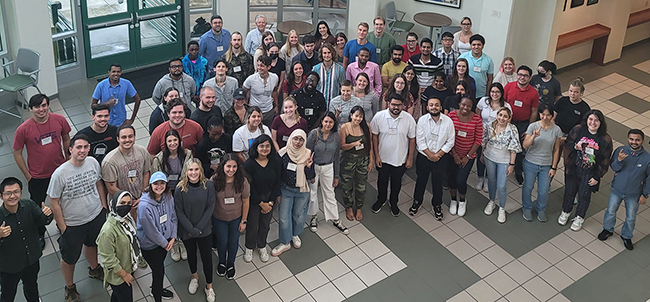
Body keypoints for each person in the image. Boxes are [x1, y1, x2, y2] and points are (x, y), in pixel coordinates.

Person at [47, 133, 107, 302]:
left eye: (86, 147)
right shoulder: (60, 174)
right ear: (70, 149)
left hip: (95, 216)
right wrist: (63, 227)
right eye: (78, 147)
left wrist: (103, 207)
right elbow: (54, 202)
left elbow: (98, 183)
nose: (82, 150)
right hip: (72, 224)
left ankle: (94, 269)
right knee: (69, 258)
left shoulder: (93, 162)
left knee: (92, 244)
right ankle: (70, 287)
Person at [13, 94, 70, 249]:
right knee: (38, 206)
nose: (41, 109)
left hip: (59, 171)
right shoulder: (23, 129)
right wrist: (27, 174)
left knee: (62, 201)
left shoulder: (59, 119)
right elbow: (17, 152)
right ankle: (39, 232)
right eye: (37, 106)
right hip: (37, 177)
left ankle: (62, 225)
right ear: (31, 109)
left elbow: (66, 138)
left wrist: (67, 159)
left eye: (44, 105)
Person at [0, 177, 53, 302]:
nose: (13, 196)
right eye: (8, 193)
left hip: (31, 260)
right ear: (1, 196)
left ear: (21, 192)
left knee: (32, 287)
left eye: (16, 192)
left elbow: (42, 221)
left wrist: (48, 215)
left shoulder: (28, 205)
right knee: (8, 294)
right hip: (9, 266)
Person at [559, 110, 613, 231]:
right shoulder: (578, 130)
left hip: (589, 172)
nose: (593, 123)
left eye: (596, 120)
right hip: (574, 168)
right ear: (586, 119)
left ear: (601, 122)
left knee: (584, 195)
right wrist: (575, 147)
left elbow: (605, 160)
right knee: (569, 191)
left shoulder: (605, 139)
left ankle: (579, 217)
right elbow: (567, 145)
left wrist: (597, 176)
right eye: (590, 119)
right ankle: (566, 211)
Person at [599, 129, 650, 250]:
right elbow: (614, 168)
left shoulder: (647, 158)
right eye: (631, 139)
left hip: (634, 194)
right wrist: (620, 161)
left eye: (637, 140)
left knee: (631, 217)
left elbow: (649, 178)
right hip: (617, 189)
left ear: (642, 141)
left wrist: (645, 194)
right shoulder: (620, 151)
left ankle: (626, 236)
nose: (634, 142)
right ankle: (608, 229)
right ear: (628, 139)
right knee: (611, 211)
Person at [174, 159, 216, 300]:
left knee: (207, 259)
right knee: (191, 255)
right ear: (186, 171)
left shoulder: (208, 185)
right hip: (187, 231)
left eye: (196, 169)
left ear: (201, 170)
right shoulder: (180, 189)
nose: (193, 173)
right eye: (190, 170)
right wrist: (191, 229)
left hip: (204, 230)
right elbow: (179, 212)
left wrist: (198, 228)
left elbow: (210, 208)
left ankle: (209, 286)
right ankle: (194, 277)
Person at [370, 93, 416, 216]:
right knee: (382, 181)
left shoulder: (408, 119)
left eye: (399, 105)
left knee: (396, 183)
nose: (396, 107)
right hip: (383, 158)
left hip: (400, 159)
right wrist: (376, 156)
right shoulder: (379, 116)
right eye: (394, 104)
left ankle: (394, 202)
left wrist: (410, 158)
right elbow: (374, 136)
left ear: (403, 106)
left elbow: (412, 139)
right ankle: (381, 199)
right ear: (388, 104)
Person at [271, 130, 315, 256]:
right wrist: (278, 194)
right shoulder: (282, 154)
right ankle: (285, 242)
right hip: (286, 190)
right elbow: (277, 176)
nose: (298, 142)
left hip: (302, 190)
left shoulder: (308, 154)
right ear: (290, 139)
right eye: (295, 139)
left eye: (301, 139)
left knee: (299, 216)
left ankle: (295, 234)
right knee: (284, 218)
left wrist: (308, 167)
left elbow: (311, 177)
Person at [410, 97, 455, 220]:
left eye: (436, 105)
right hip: (424, 157)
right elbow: (420, 140)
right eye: (431, 105)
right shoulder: (422, 120)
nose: (434, 107)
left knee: (438, 182)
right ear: (428, 107)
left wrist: (438, 154)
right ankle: (417, 202)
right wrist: (430, 155)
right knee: (421, 181)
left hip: (441, 158)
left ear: (440, 107)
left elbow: (450, 141)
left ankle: (437, 205)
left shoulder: (448, 121)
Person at [136, 172, 177, 301]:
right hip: (151, 246)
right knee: (159, 271)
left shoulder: (169, 197)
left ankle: (155, 289)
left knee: (158, 269)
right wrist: (165, 243)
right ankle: (157, 296)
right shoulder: (144, 206)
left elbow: (173, 217)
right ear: (150, 185)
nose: (159, 186)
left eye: (162, 183)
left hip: (166, 241)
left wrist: (173, 236)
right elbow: (151, 231)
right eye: (156, 184)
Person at [306, 112, 348, 233]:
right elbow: (307, 154)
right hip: (314, 167)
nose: (328, 124)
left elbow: (336, 157)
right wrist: (309, 173)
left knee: (329, 193)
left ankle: (335, 219)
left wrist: (336, 175)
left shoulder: (335, 136)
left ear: (334, 123)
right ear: (322, 122)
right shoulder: (314, 134)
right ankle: (313, 217)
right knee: (313, 193)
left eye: (331, 122)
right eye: (326, 121)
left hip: (328, 167)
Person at [521, 104, 563, 222]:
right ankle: (527, 208)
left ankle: (541, 209)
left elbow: (556, 150)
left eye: (548, 114)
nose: (545, 117)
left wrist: (554, 167)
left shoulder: (556, 130)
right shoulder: (533, 126)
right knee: (528, 186)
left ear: (552, 115)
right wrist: (534, 136)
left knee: (543, 190)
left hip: (546, 165)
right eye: (542, 114)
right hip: (531, 162)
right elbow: (525, 145)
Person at [96, 190, 140, 302]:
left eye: (128, 203)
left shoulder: (127, 218)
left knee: (117, 297)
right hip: (119, 275)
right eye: (122, 203)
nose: (126, 206)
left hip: (129, 265)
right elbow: (108, 259)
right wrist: (124, 275)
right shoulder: (108, 231)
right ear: (114, 204)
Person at [243, 135, 281, 262]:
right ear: (256, 147)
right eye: (261, 146)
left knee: (265, 224)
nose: (264, 149)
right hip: (254, 199)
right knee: (252, 225)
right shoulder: (249, 164)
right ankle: (249, 246)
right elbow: (249, 186)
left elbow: (277, 182)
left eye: (267, 146)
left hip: (269, 198)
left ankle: (261, 245)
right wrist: (260, 203)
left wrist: (270, 201)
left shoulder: (275, 161)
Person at [211, 155, 249, 280]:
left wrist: (244, 220)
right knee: (222, 242)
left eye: (234, 166)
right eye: (228, 166)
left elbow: (245, 201)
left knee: (233, 242)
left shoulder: (242, 181)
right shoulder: (214, 181)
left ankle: (230, 263)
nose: (231, 170)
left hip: (236, 218)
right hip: (219, 218)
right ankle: (222, 262)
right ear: (223, 166)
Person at [103, 125, 152, 224]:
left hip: (141, 200)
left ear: (134, 137)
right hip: (121, 205)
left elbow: (146, 173)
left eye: (130, 136)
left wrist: (143, 195)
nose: (127, 140)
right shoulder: (110, 161)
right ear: (118, 139)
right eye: (124, 137)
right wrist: (130, 201)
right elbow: (111, 188)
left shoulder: (142, 152)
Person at [481, 107, 521, 223]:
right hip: (490, 157)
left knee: (502, 185)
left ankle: (502, 208)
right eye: (500, 115)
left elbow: (514, 148)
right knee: (491, 180)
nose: (502, 118)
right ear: (497, 115)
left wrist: (511, 165)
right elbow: (484, 140)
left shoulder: (512, 129)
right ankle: (492, 201)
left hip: (504, 160)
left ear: (509, 118)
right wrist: (483, 154)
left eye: (505, 116)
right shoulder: (490, 125)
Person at [446, 96, 482, 217]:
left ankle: (462, 201)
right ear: (459, 104)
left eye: (468, 106)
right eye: (463, 105)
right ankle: (453, 199)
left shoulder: (477, 119)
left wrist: (467, 156)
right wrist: (455, 155)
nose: (465, 108)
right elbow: (447, 137)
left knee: (461, 180)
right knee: (451, 179)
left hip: (468, 156)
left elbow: (478, 140)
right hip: (452, 154)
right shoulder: (451, 116)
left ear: (472, 107)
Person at [504, 65, 539, 184]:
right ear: (516, 75)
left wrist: (529, 129)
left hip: (522, 124)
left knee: (519, 149)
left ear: (529, 78)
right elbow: (502, 104)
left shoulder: (534, 93)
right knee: (504, 144)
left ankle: (518, 171)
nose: (522, 77)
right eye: (520, 74)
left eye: (525, 76)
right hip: (507, 122)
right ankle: (504, 167)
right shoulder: (509, 87)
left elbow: (534, 112)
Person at [475, 83, 512, 192]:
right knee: (480, 156)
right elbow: (477, 115)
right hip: (482, 133)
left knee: (490, 157)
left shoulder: (506, 106)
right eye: (492, 91)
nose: (494, 94)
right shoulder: (483, 101)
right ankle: (480, 177)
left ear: (501, 93)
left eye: (497, 92)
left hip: (496, 135)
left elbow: (508, 122)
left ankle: (487, 179)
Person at [339, 106, 373, 221]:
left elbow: (370, 145)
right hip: (348, 160)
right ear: (351, 115)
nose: (358, 119)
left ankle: (359, 207)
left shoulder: (366, 126)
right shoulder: (345, 127)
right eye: (356, 116)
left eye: (360, 116)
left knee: (361, 186)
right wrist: (353, 144)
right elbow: (342, 146)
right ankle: (348, 207)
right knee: (347, 185)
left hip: (363, 160)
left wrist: (370, 161)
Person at [243, 55, 280, 127]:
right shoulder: (251, 79)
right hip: (254, 111)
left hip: (269, 110)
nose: (259, 68)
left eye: (262, 66)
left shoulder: (275, 77)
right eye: (258, 65)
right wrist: (245, 107)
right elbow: (244, 91)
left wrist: (276, 106)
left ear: (269, 67)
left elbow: (274, 91)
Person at [459, 34, 493, 99]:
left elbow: (490, 79)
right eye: (474, 45)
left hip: (481, 94)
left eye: (479, 45)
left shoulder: (488, 60)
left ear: (483, 45)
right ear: (470, 45)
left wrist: (487, 94)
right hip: (465, 94)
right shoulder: (463, 57)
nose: (476, 47)